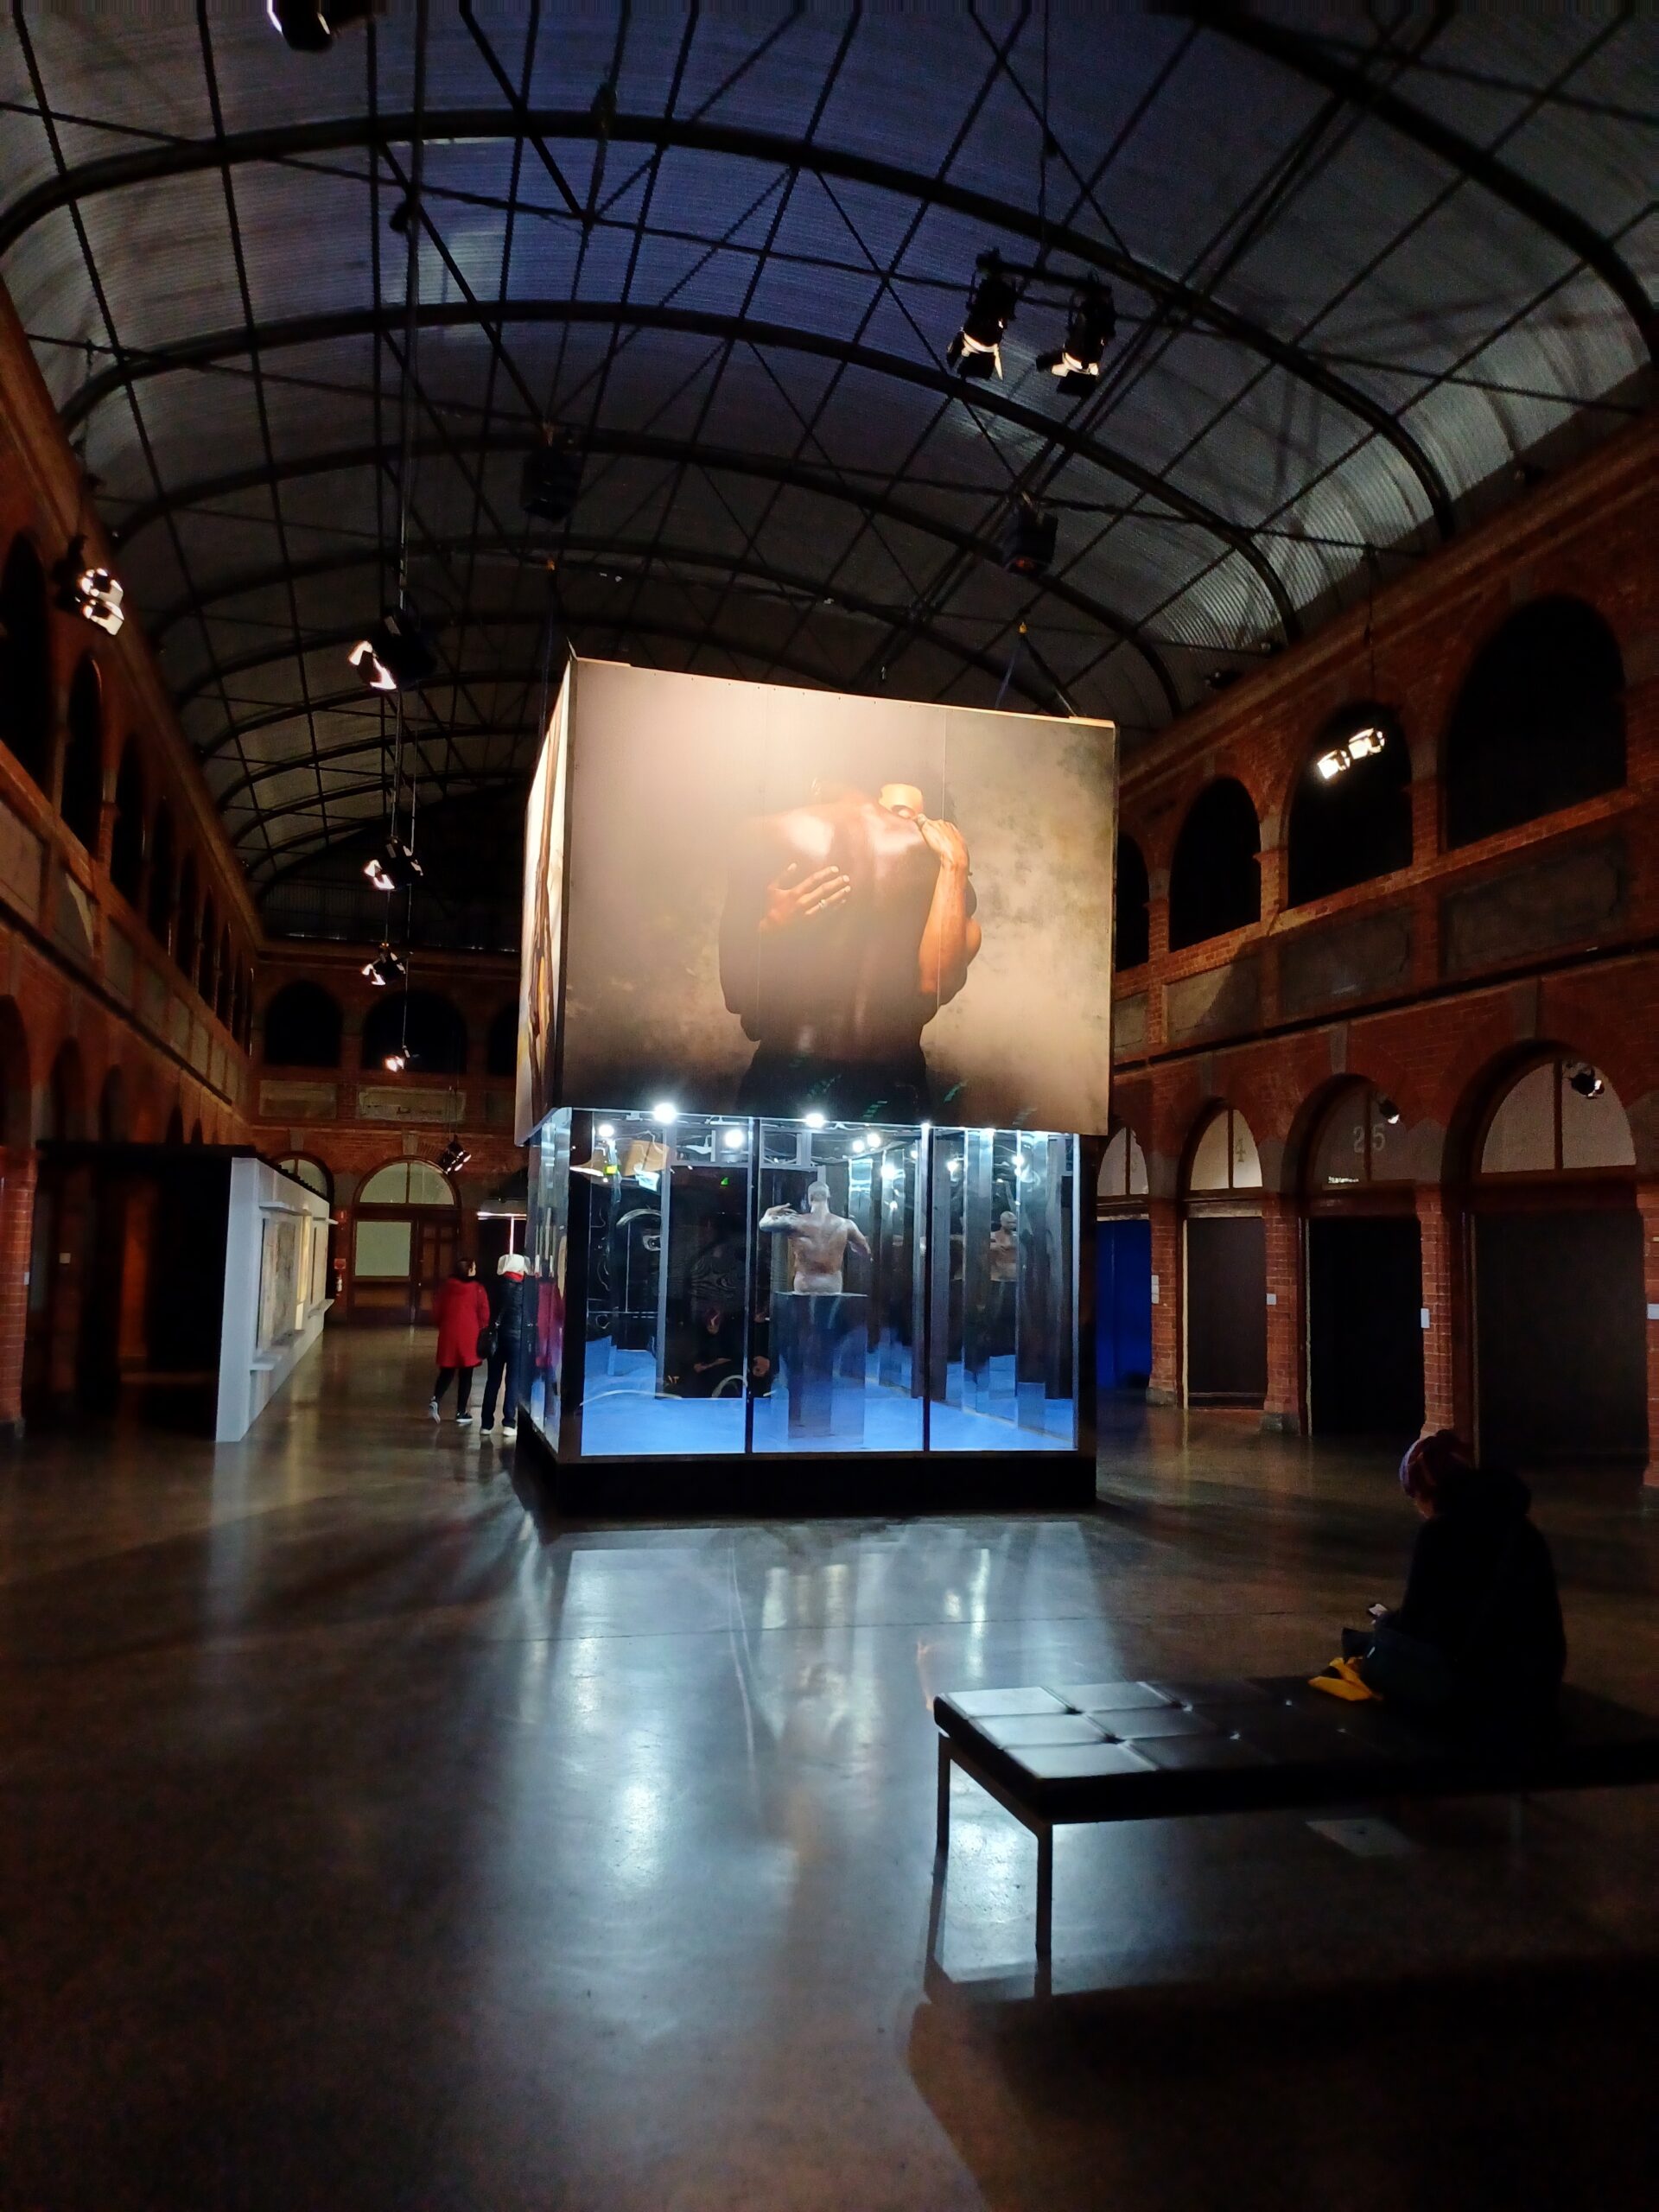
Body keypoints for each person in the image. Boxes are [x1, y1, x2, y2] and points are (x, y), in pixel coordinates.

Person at [720, 777, 980, 1121]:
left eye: (906, 818)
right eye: (884, 809)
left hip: (891, 1090)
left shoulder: (954, 910)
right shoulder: (797, 873)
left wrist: (954, 866)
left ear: (938, 830)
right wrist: (772, 930)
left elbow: (932, 989)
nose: (878, 824)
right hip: (790, 1080)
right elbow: (747, 1014)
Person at [1348, 1429, 1566, 1715]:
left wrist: (1387, 1622)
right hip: (1538, 1681)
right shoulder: (1522, 1526)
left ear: (1427, 1492)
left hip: (1476, 1688)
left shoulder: (1438, 1533)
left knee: (1366, 1650)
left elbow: (1418, 1623)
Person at [759, 1181, 871, 1294]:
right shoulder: (846, 1224)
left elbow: (763, 1225)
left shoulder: (796, 1222)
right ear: (828, 1196)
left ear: (810, 1198)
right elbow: (865, 1251)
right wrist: (852, 1244)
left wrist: (769, 1212)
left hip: (804, 1286)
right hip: (832, 1287)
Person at [429, 1257, 490, 1427]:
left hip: (448, 1333)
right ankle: (461, 1411)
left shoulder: (446, 1287)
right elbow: (484, 1313)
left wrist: (442, 1324)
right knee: (466, 1374)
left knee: (447, 1371)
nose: (476, 1270)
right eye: (474, 1268)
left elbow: (437, 1310)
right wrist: (483, 1329)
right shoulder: (477, 1288)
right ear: (469, 1271)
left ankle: (436, 1399)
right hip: (469, 1335)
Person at [478, 1252, 527, 1441]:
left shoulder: (494, 1285)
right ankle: (509, 1422)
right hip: (517, 1338)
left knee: (493, 1380)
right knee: (513, 1381)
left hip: (496, 1338)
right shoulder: (525, 1288)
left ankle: (486, 1424)